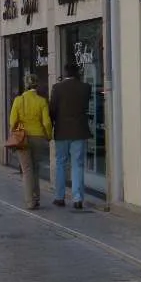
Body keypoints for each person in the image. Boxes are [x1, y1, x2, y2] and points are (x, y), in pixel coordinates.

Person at [49, 61, 92, 209]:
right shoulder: (85, 87)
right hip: (79, 130)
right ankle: (77, 198)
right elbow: (86, 106)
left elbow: (52, 110)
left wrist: (53, 123)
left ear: (65, 72)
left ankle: (60, 197)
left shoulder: (57, 88)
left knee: (61, 163)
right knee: (77, 164)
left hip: (61, 131)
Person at [7, 73, 53, 210]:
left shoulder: (18, 100)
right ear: (37, 85)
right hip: (38, 137)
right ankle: (36, 197)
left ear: (26, 85)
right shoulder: (41, 101)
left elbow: (12, 121)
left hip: (23, 138)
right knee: (36, 168)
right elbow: (46, 122)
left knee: (27, 170)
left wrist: (14, 134)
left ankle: (30, 201)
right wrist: (49, 135)